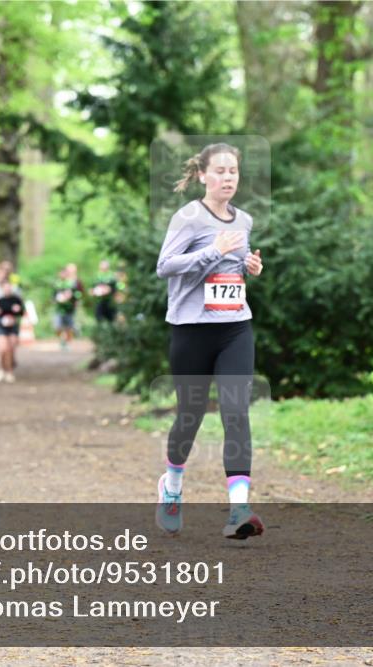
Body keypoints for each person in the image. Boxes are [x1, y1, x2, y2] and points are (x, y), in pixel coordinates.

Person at [155, 142, 264, 539]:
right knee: (191, 415)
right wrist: (211, 251)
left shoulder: (245, 220)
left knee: (236, 412)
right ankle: (171, 486)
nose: (227, 178)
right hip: (191, 330)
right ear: (202, 175)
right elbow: (164, 266)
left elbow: (235, 266)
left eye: (232, 171)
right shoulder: (188, 218)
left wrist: (251, 266)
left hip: (234, 327)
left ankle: (239, 508)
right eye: (219, 171)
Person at [0, 272, 25, 383]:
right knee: (2, 348)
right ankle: (1, 368)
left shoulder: (16, 300)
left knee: (11, 348)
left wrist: (18, 311)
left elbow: (22, 312)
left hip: (12, 326)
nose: (7, 289)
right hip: (0, 326)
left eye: (9, 287)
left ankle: (9, 370)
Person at [52, 264, 83, 349]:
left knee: (68, 327)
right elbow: (53, 295)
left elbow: (78, 294)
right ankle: (62, 341)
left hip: (69, 308)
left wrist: (73, 298)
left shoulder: (71, 284)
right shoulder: (57, 284)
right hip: (59, 309)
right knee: (57, 326)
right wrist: (55, 300)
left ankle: (67, 343)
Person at [90, 260, 122, 325]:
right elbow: (92, 288)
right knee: (99, 318)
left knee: (112, 318)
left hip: (110, 301)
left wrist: (110, 290)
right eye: (102, 265)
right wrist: (93, 292)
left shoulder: (112, 275)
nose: (103, 267)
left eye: (104, 266)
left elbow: (117, 288)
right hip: (99, 301)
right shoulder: (96, 275)